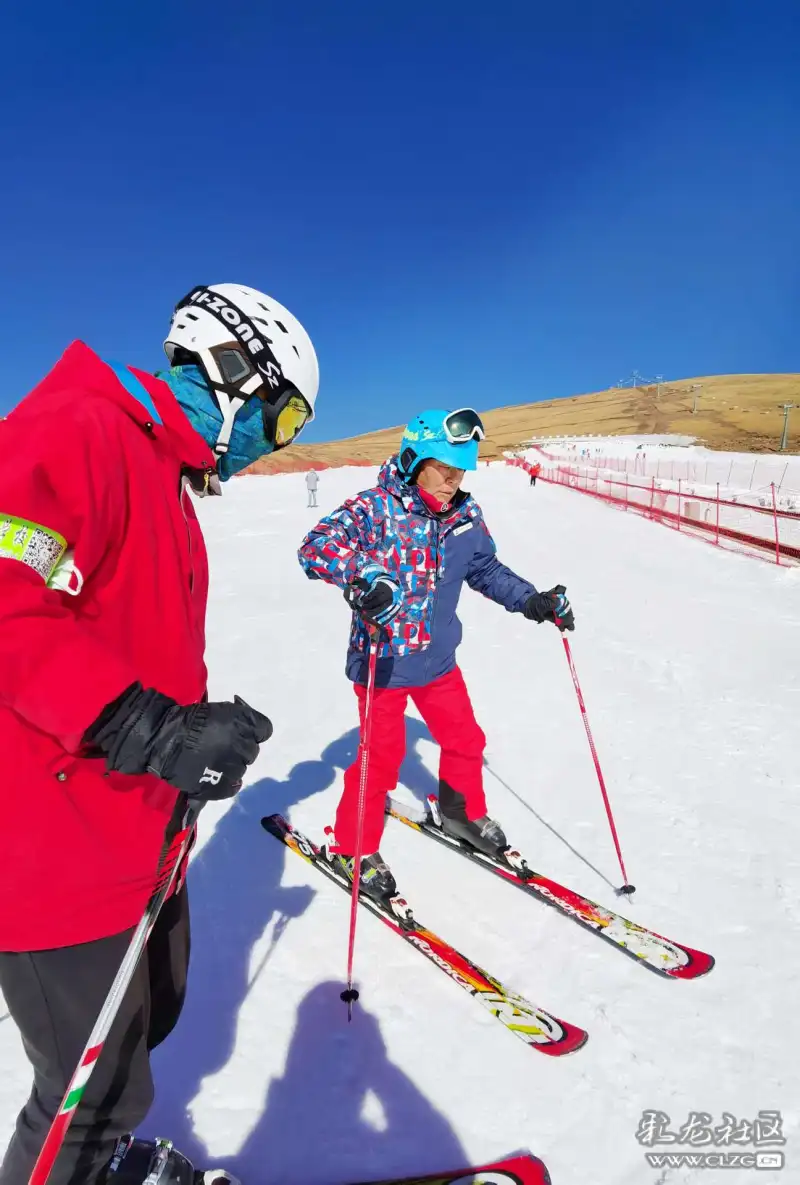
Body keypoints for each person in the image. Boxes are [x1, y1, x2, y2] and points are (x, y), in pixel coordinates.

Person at [0, 283, 319, 1185]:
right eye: (281, 413)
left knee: (145, 1029)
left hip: (129, 826)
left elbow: (125, 636)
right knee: (83, 1091)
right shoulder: (78, 429)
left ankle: (103, 1165)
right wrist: (147, 724)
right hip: (51, 843)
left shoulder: (162, 475)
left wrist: (195, 734)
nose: (277, 441)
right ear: (228, 370)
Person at [297, 407, 573, 904]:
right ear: (412, 460)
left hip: (437, 662)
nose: (452, 482)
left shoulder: (465, 518)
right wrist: (362, 578)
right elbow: (316, 547)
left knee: (466, 739)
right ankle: (351, 847)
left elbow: (486, 570)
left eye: (460, 471)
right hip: (382, 664)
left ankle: (459, 811)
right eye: (443, 470)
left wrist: (533, 601)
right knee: (380, 759)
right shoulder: (375, 509)